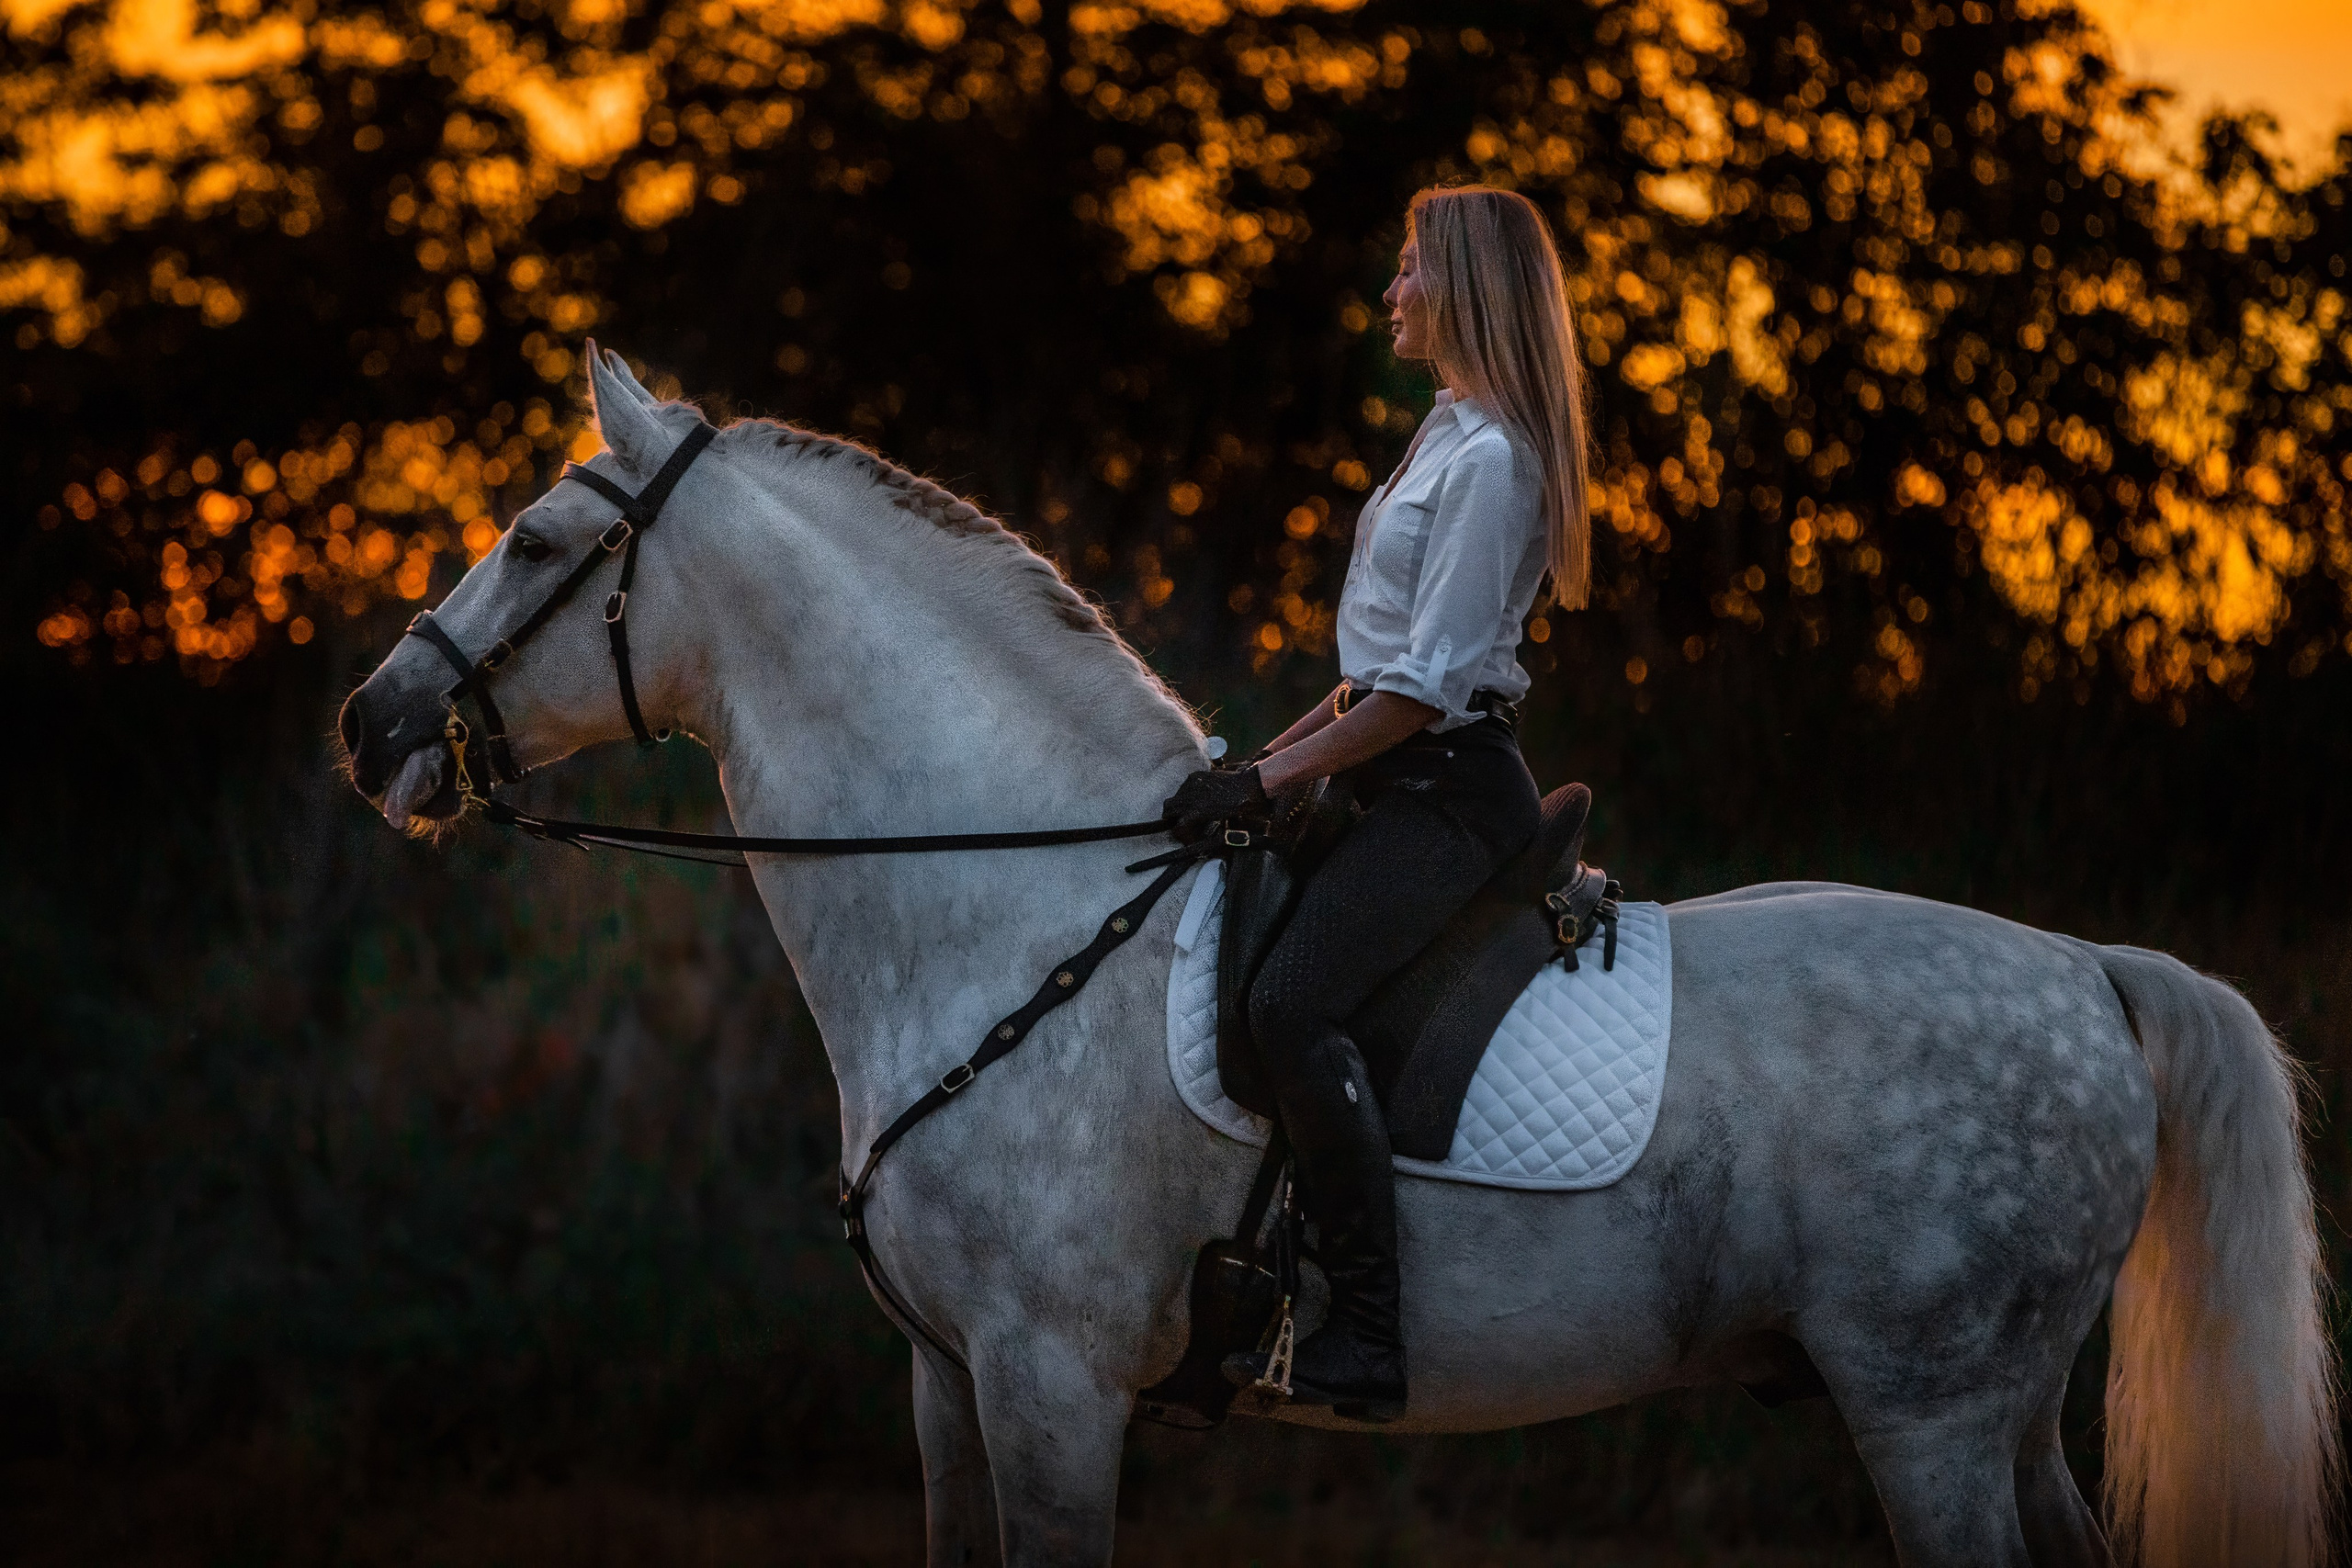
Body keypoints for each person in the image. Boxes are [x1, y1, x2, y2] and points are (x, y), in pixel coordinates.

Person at [1160, 185, 1594, 1422]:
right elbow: (1370, 680)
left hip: (1448, 797)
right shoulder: (1449, 434)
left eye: (1409, 271)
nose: (1391, 293)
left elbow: (1423, 696)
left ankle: (1366, 1330)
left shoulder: (1499, 458)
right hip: (1389, 773)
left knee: (1292, 1002)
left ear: (1461, 284)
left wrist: (1274, 778)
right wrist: (1244, 767)